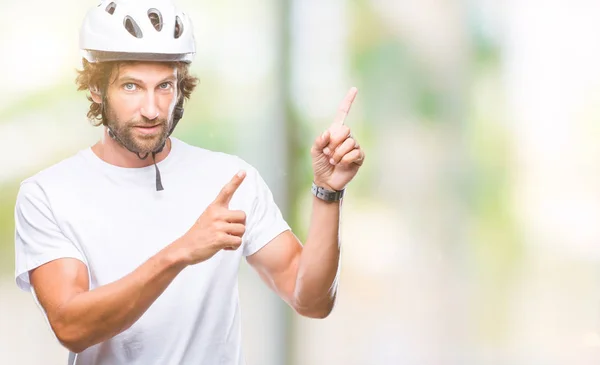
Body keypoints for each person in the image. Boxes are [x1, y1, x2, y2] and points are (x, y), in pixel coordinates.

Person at [13, 0, 365, 364]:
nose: (151, 109)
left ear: (181, 87)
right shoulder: (48, 194)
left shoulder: (231, 179)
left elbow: (312, 300)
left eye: (164, 86)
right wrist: (182, 251)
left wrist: (328, 192)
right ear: (96, 90)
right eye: (131, 86)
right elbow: (72, 327)